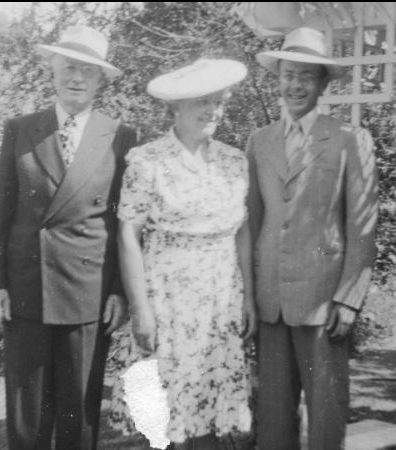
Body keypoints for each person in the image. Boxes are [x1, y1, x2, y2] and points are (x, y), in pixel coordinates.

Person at [0, 26, 137, 450]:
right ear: (51, 70)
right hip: (26, 289)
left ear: (100, 80)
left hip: (87, 295)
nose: (76, 77)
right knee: (27, 420)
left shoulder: (120, 136)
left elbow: (125, 223)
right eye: (69, 66)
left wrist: (120, 292)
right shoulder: (20, 129)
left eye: (88, 71)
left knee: (78, 419)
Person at [109, 59, 257, 449]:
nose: (212, 111)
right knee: (165, 419)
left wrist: (249, 299)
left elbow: (241, 232)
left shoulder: (234, 161)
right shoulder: (147, 160)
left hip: (220, 302)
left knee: (211, 414)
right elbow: (128, 234)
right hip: (168, 303)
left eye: (218, 102)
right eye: (201, 102)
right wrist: (140, 307)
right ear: (175, 108)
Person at [247, 27, 379, 449]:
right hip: (271, 301)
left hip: (324, 301)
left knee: (326, 415)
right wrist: (248, 297)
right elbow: (253, 223)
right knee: (272, 420)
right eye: (288, 74)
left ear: (323, 83)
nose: (295, 85)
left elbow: (362, 225)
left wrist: (349, 296)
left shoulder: (349, 140)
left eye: (306, 76)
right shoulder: (259, 141)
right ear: (278, 78)